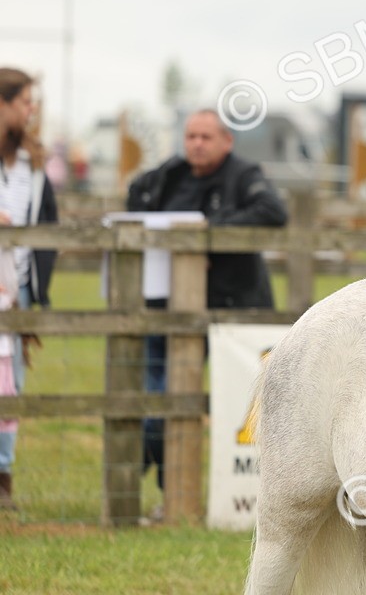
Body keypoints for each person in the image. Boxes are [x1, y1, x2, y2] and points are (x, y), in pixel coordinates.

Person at [127, 109, 288, 503]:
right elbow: (135, 201)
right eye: (191, 136)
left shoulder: (244, 175)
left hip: (233, 311)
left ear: (226, 141)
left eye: (205, 137)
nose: (196, 144)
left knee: (242, 405)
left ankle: (252, 496)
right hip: (170, 308)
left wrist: (206, 234)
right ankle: (171, 493)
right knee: (158, 404)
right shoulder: (171, 175)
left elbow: (272, 212)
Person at [0, 67, 58, 510]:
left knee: (8, 390)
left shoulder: (33, 167)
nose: (31, 111)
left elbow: (47, 228)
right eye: (24, 102)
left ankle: (3, 483)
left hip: (13, 296)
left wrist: (35, 287)